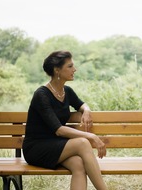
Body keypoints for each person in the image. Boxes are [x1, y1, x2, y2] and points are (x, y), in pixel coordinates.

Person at [22, 50, 108, 190]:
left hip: (56, 146)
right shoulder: (41, 95)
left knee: (78, 165)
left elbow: (81, 104)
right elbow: (59, 130)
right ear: (57, 70)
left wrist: (86, 110)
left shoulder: (66, 91)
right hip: (37, 148)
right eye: (70, 66)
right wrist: (91, 136)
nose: (74, 69)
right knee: (83, 143)